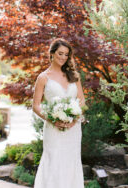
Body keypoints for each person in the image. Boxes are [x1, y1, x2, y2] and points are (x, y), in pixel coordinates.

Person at [32, 38, 86, 188]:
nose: (63, 57)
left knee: (71, 161)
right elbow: (36, 106)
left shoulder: (74, 76)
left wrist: (74, 119)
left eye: (66, 55)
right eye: (60, 53)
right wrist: (52, 119)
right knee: (53, 161)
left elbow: (81, 100)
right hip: (53, 128)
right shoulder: (43, 78)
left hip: (73, 129)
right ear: (52, 54)